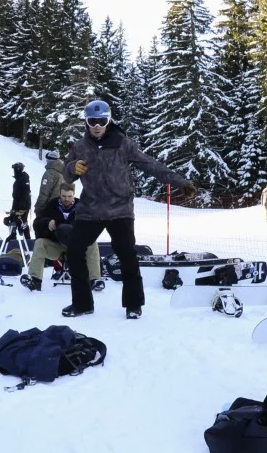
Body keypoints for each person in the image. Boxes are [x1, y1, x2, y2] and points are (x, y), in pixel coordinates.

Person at [63, 99, 192, 319]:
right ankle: (82, 303)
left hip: (119, 209)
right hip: (90, 209)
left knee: (128, 256)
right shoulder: (80, 147)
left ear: (109, 120)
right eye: (92, 121)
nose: (97, 125)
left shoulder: (123, 143)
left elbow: (150, 164)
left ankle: (133, 305)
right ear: (86, 122)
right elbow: (66, 174)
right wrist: (71, 168)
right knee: (74, 251)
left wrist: (181, 182)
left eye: (101, 121)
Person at [24, 182, 102, 290]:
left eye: (69, 196)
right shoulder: (52, 205)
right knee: (40, 243)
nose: (66, 199)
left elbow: (92, 225)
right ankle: (34, 280)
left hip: (77, 245)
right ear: (60, 194)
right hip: (57, 246)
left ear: (73, 194)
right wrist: (47, 223)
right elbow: (37, 223)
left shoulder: (81, 206)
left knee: (92, 243)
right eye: (64, 196)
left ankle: (95, 280)